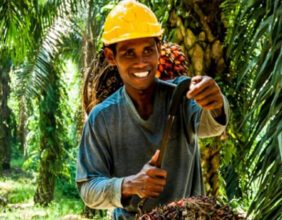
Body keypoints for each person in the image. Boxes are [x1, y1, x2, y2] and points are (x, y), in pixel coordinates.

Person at [76, 0, 229, 219]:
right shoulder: (101, 119)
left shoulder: (183, 95)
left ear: (159, 50)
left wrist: (215, 104)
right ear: (111, 57)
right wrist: (130, 185)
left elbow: (210, 127)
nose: (141, 62)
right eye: (129, 53)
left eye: (148, 50)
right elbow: (89, 187)